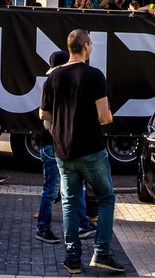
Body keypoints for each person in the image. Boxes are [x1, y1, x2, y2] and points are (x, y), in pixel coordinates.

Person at [40, 29, 123, 274]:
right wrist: (107, 118)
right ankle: (102, 253)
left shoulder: (52, 78)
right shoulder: (95, 75)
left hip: (63, 151)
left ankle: (73, 258)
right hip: (91, 150)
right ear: (86, 46)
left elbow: (44, 115)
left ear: (69, 47)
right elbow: (104, 116)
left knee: (69, 203)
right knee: (106, 198)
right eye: (91, 44)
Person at [35, 50, 97, 245]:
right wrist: (63, 137)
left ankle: (81, 224)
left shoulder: (54, 82)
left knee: (75, 186)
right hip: (53, 144)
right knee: (52, 188)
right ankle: (43, 228)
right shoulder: (53, 83)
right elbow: (45, 118)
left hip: (59, 144)